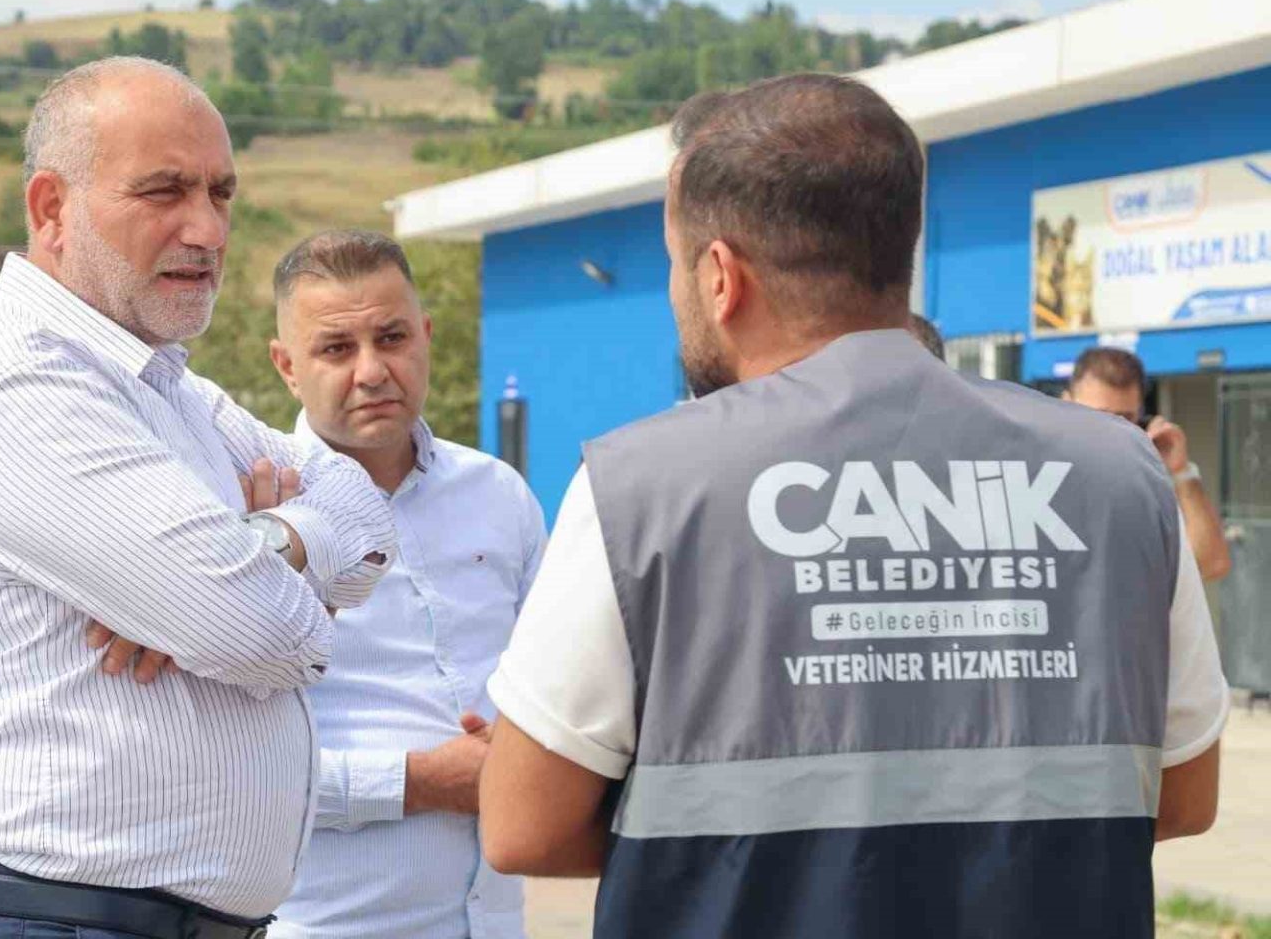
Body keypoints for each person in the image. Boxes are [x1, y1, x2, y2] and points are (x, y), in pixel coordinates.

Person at [477, 74, 1229, 938]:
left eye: (676, 265)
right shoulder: (1122, 473)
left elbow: (523, 825)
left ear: (720, 277)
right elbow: (1184, 795)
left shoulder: (636, 486)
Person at [0, 57, 397, 939]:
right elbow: (265, 636)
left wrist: (265, 540)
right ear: (52, 208)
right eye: (164, 191)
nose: (207, 229)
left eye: (221, 193)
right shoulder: (15, 385)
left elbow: (367, 511)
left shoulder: (165, 385)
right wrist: (233, 589)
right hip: (43, 919)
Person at [262, 229, 546, 939]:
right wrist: (416, 783)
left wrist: (527, 748)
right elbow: (226, 773)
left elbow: (556, 684)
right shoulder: (254, 516)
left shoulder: (499, 494)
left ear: (425, 336)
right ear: (287, 367)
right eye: (336, 349)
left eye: (391, 338)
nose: (372, 371)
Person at [1064, 346, 1232, 582]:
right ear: (1065, 403)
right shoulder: (1032, 468)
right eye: (1098, 416)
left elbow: (1210, 565)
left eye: (1125, 418)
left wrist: (1181, 472)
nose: (1111, 430)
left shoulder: (1146, 483)